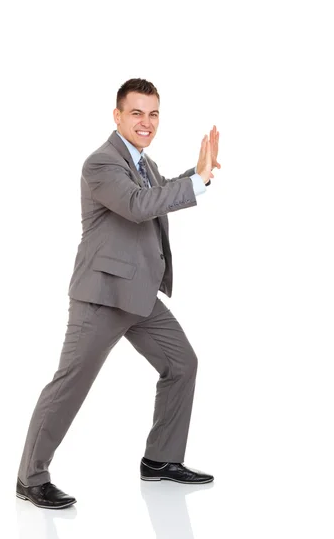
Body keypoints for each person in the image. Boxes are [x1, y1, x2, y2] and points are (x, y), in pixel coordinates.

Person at [16, 78, 221, 509]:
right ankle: (30, 478)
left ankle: (161, 460)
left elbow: (155, 195)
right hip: (101, 297)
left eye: (153, 114)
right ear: (117, 116)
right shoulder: (101, 163)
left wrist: (197, 174)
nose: (146, 123)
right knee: (70, 385)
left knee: (182, 363)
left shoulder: (144, 163)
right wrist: (196, 184)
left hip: (140, 295)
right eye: (137, 113)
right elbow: (137, 205)